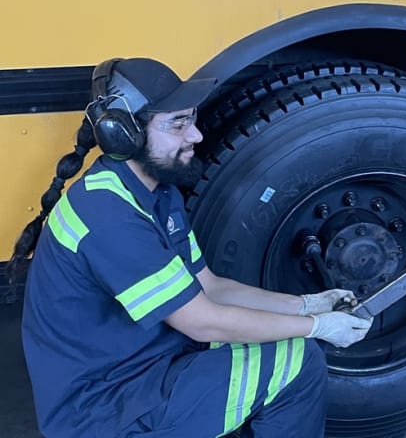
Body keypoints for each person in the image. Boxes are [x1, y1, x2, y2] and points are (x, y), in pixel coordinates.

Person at [10, 57, 374, 437]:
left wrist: (308, 304)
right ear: (124, 134)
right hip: (104, 407)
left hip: (146, 364)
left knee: (292, 348)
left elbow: (210, 287)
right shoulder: (108, 215)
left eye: (192, 120)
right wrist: (316, 327)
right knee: (297, 363)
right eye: (178, 124)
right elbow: (201, 322)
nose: (196, 136)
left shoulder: (156, 192)